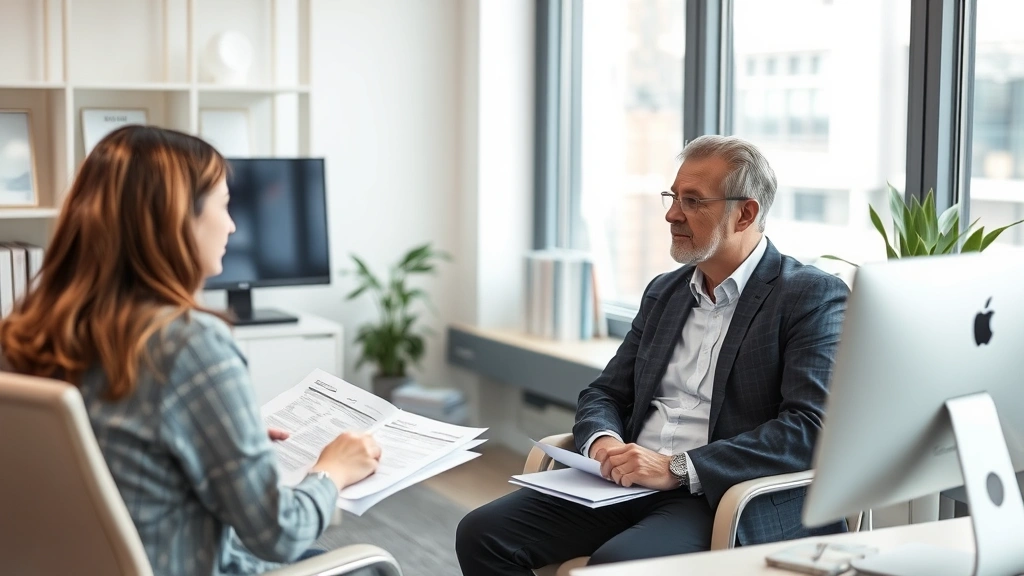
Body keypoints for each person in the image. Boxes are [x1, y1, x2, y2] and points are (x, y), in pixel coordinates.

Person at [455, 135, 849, 574]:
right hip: (625, 480)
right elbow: (605, 393)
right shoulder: (665, 292)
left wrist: (677, 468)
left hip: (717, 493)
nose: (672, 214)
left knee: (615, 567)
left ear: (746, 214)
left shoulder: (809, 296)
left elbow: (809, 428)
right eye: (673, 197)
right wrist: (604, 442)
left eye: (693, 201)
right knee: (482, 533)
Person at [0, 125, 382, 575]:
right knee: (367, 567)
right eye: (224, 204)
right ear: (178, 219)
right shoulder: (190, 345)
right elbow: (278, 533)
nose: (232, 224)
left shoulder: (23, 333)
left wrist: (218, 439)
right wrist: (333, 470)